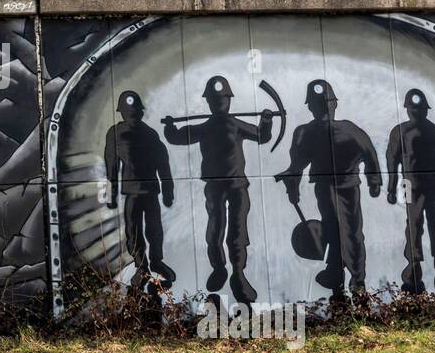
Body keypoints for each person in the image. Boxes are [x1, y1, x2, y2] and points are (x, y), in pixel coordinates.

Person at [162, 76, 273, 303]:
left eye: (222, 100)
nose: (219, 103)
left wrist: (267, 121)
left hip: (237, 185)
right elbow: (177, 138)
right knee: (215, 228)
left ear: (228, 101)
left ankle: (238, 274)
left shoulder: (236, 125)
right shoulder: (206, 127)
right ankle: (219, 267)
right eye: (215, 100)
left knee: (237, 230)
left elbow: (262, 136)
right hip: (215, 185)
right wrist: (171, 128)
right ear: (210, 103)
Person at [277, 80, 382, 299]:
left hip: (336, 187)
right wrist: (374, 181)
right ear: (333, 104)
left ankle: (350, 278)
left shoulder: (307, 132)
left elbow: (296, 166)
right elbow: (370, 155)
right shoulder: (347, 130)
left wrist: (293, 188)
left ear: (310, 107)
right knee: (344, 230)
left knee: (340, 230)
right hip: (339, 187)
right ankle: (344, 275)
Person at [386, 88, 435, 295]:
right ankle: (417, 262)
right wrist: (392, 188)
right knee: (416, 224)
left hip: (427, 186)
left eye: (418, 109)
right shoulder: (401, 133)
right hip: (412, 186)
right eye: (413, 109)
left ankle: (433, 259)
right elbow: (392, 163)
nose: (416, 113)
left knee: (428, 224)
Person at [104, 90, 175, 294]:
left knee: (154, 229)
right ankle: (141, 265)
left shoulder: (150, 133)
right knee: (133, 231)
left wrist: (168, 190)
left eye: (134, 110)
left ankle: (156, 262)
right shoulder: (116, 133)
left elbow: (163, 162)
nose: (133, 114)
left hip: (150, 190)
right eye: (129, 111)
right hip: (132, 192)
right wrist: (111, 194)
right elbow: (111, 165)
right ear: (123, 113)